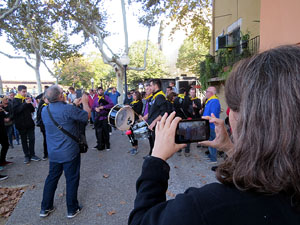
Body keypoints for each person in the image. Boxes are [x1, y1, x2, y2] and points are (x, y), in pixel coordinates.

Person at [128, 45, 300, 225]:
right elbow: (267, 175)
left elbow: (141, 220)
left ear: (243, 117)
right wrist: (231, 149)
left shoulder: (205, 208)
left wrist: (156, 159)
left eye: (232, 106)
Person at [40, 85, 90, 219]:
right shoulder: (68, 109)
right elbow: (86, 116)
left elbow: (62, 114)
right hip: (69, 152)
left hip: (54, 153)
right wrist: (85, 102)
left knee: (52, 179)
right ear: (61, 96)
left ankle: (45, 207)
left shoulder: (45, 110)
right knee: (72, 179)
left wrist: (73, 104)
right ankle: (72, 209)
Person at [12, 85, 41, 164]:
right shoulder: (15, 100)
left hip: (29, 123)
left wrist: (30, 103)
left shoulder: (26, 99)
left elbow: (32, 110)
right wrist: (25, 103)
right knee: (24, 141)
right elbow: (16, 111)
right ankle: (27, 155)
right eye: (23, 92)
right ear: (19, 91)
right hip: (21, 125)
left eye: (25, 91)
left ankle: (32, 154)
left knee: (32, 139)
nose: (25, 93)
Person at [146, 79, 167, 155]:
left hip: (157, 126)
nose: (149, 87)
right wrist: (144, 118)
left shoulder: (160, 96)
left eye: (151, 85)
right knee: (152, 144)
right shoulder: (154, 96)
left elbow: (164, 113)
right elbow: (152, 111)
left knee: (156, 146)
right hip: (151, 125)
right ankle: (151, 155)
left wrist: (154, 122)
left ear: (155, 86)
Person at [202, 86, 220, 164]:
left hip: (212, 125)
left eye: (207, 91)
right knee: (210, 140)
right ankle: (211, 156)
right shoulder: (210, 101)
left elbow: (213, 114)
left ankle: (213, 159)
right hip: (208, 124)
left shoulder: (214, 101)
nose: (206, 93)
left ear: (211, 93)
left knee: (212, 141)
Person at [92, 87, 114, 151]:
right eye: (99, 90)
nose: (101, 91)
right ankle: (99, 144)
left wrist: (103, 107)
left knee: (105, 132)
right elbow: (92, 107)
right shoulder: (96, 99)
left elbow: (111, 105)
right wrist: (95, 108)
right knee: (97, 132)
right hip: (98, 117)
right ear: (97, 92)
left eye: (102, 90)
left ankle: (107, 145)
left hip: (104, 117)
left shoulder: (106, 98)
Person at [173, 88, 192, 156]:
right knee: (188, 135)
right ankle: (187, 151)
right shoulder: (188, 99)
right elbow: (190, 109)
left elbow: (174, 110)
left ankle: (179, 150)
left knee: (179, 134)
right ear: (184, 92)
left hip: (178, 120)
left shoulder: (176, 99)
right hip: (186, 119)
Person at [127, 91, 143, 155]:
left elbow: (138, 111)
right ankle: (133, 146)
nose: (133, 96)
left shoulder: (139, 103)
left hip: (135, 120)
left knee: (134, 135)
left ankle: (135, 148)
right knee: (129, 134)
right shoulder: (132, 102)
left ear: (137, 96)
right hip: (130, 120)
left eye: (134, 95)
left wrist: (131, 108)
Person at [36, 96, 49, 160]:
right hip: (44, 126)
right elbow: (40, 117)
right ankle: (45, 154)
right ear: (44, 99)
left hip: (46, 126)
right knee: (46, 139)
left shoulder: (47, 105)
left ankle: (47, 153)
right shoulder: (43, 106)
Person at [0, 99, 11, 167]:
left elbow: (6, 119)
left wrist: (3, 110)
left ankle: (2, 160)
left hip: (2, 129)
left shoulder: (1, 109)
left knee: (6, 145)